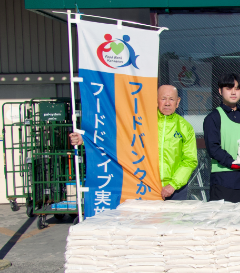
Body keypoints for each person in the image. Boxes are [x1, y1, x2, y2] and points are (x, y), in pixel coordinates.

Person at [69, 84, 198, 200]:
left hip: (176, 190)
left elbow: (189, 160)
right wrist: (85, 139)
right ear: (156, 100)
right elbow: (116, 137)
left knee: (174, 219)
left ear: (178, 102)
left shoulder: (185, 127)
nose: (167, 103)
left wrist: (173, 185)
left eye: (171, 99)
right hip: (146, 186)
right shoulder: (142, 122)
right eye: (163, 98)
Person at [203, 73, 240, 203]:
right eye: (229, 88)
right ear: (220, 91)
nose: (234, 92)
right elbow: (213, 148)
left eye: (237, 88)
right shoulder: (213, 117)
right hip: (223, 181)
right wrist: (233, 163)